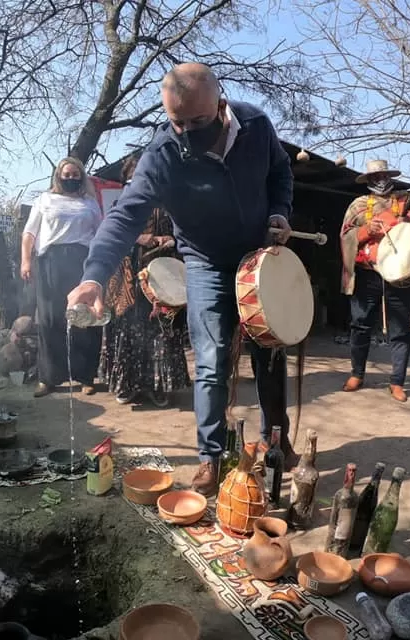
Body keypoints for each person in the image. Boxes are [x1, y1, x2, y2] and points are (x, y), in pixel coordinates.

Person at [66, 62, 296, 496]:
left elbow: (280, 172)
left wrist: (279, 212)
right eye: (178, 122)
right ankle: (210, 457)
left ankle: (276, 439)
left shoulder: (257, 126)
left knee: (271, 352)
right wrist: (93, 276)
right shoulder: (162, 155)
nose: (188, 131)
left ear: (221, 105)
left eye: (199, 121)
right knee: (210, 360)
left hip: (260, 257)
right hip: (206, 261)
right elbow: (124, 218)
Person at [100, 153, 190, 407]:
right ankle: (127, 385)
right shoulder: (123, 202)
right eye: (136, 172)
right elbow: (112, 233)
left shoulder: (173, 202)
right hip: (130, 279)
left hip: (163, 279)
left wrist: (170, 240)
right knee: (128, 329)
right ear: (129, 176)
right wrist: (138, 238)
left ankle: (158, 387)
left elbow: (186, 235)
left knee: (160, 330)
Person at [339, 160, 410, 403]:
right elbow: (345, 237)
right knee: (360, 324)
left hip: (401, 276)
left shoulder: (406, 204)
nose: (380, 179)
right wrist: (366, 230)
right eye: (375, 176)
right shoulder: (358, 206)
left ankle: (397, 381)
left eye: (383, 175)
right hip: (367, 273)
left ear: (390, 176)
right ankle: (357, 374)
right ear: (368, 180)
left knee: (400, 329)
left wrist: (407, 222)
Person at [21, 157, 104, 398]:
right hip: (50, 263)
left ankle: (86, 377)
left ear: (82, 176)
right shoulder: (44, 200)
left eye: (75, 174)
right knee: (49, 320)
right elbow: (29, 233)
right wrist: (26, 261)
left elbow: (99, 234)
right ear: (58, 176)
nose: (70, 178)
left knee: (85, 318)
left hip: (82, 261)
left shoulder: (89, 203)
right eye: (66, 174)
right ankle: (49, 378)